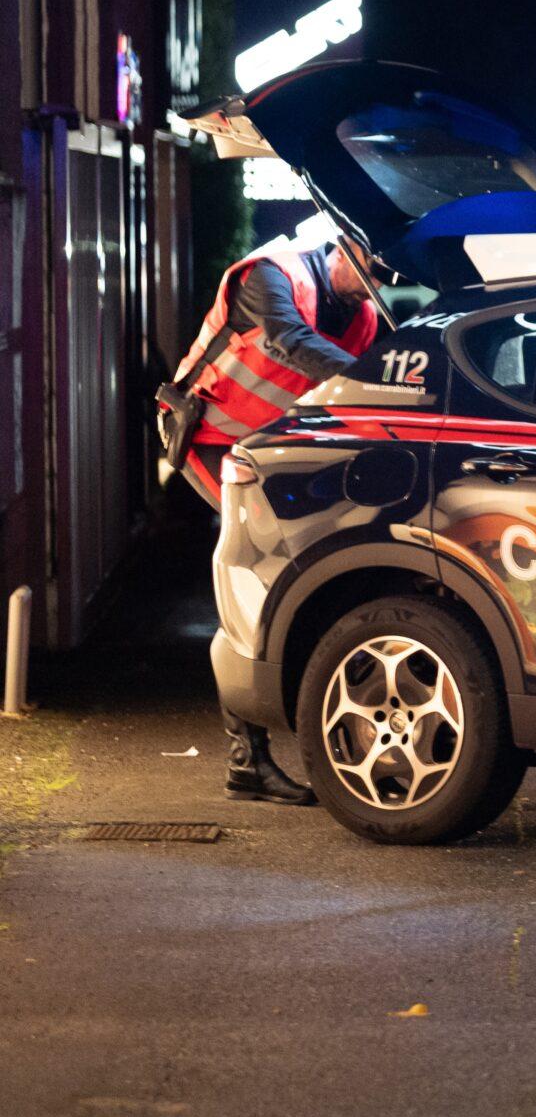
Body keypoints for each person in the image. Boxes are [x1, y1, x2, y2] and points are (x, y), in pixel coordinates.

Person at [161, 217, 380, 803]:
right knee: (255, 573)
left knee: (301, 570)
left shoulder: (361, 314)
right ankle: (246, 762)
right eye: (373, 270)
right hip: (208, 435)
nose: (375, 286)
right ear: (345, 246)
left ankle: (286, 744)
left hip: (265, 451)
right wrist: (376, 382)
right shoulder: (272, 275)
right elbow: (289, 339)